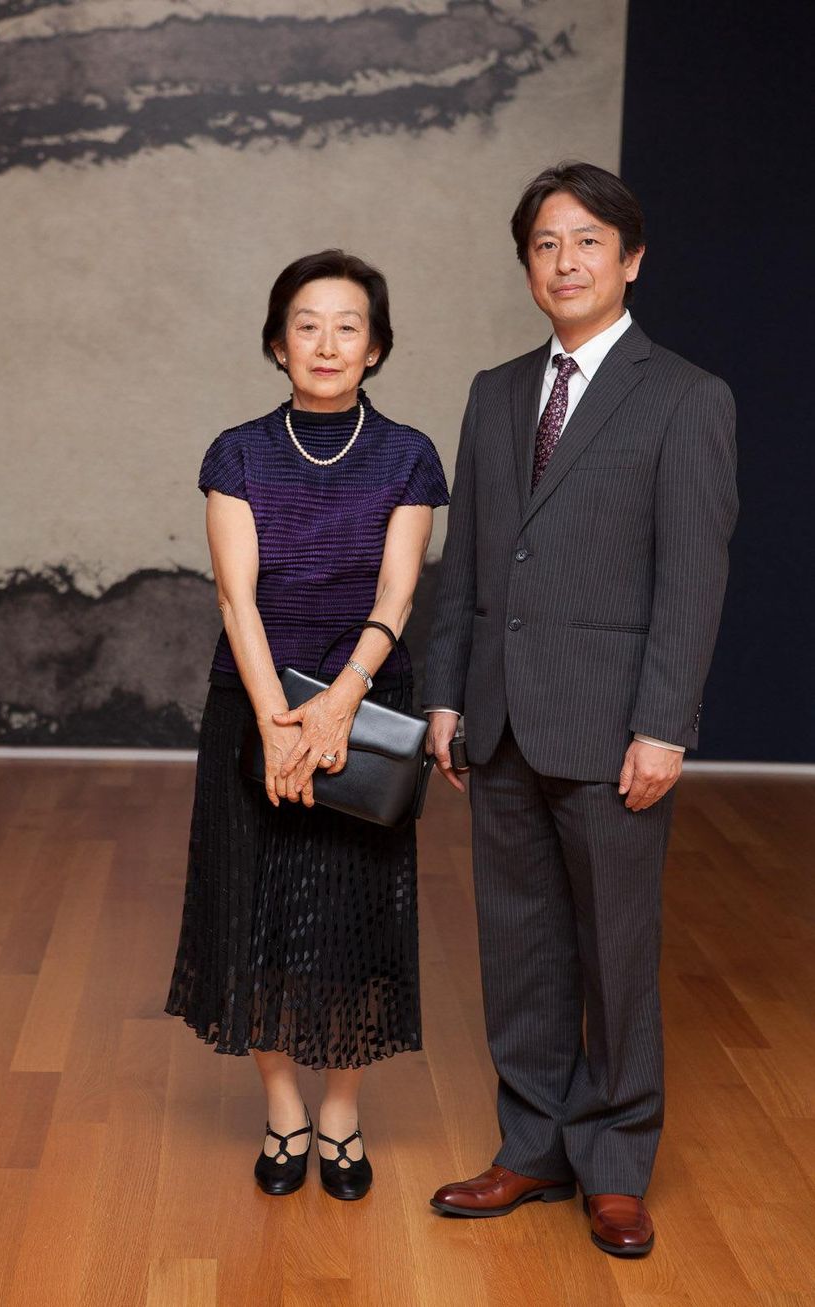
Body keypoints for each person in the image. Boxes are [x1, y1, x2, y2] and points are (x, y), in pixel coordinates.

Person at [423, 162, 737, 1256]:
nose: (565, 261)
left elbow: (690, 580)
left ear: (629, 258)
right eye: (545, 245)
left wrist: (665, 724)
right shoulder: (495, 390)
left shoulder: (686, 397)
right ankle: (530, 1147)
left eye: (587, 241)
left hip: (613, 732)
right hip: (498, 720)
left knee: (614, 953)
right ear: (526, 266)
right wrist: (444, 695)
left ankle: (614, 1161)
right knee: (517, 948)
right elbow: (463, 561)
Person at [166, 250, 449, 1201]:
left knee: (353, 918)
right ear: (276, 343)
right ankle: (282, 1105)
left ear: (375, 348)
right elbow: (235, 599)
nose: (326, 343)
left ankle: (341, 1110)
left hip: (366, 714)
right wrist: (278, 722)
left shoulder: (408, 454)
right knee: (255, 911)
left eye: (348, 326)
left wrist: (339, 703)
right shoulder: (237, 451)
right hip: (254, 709)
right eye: (306, 324)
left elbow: (399, 590)